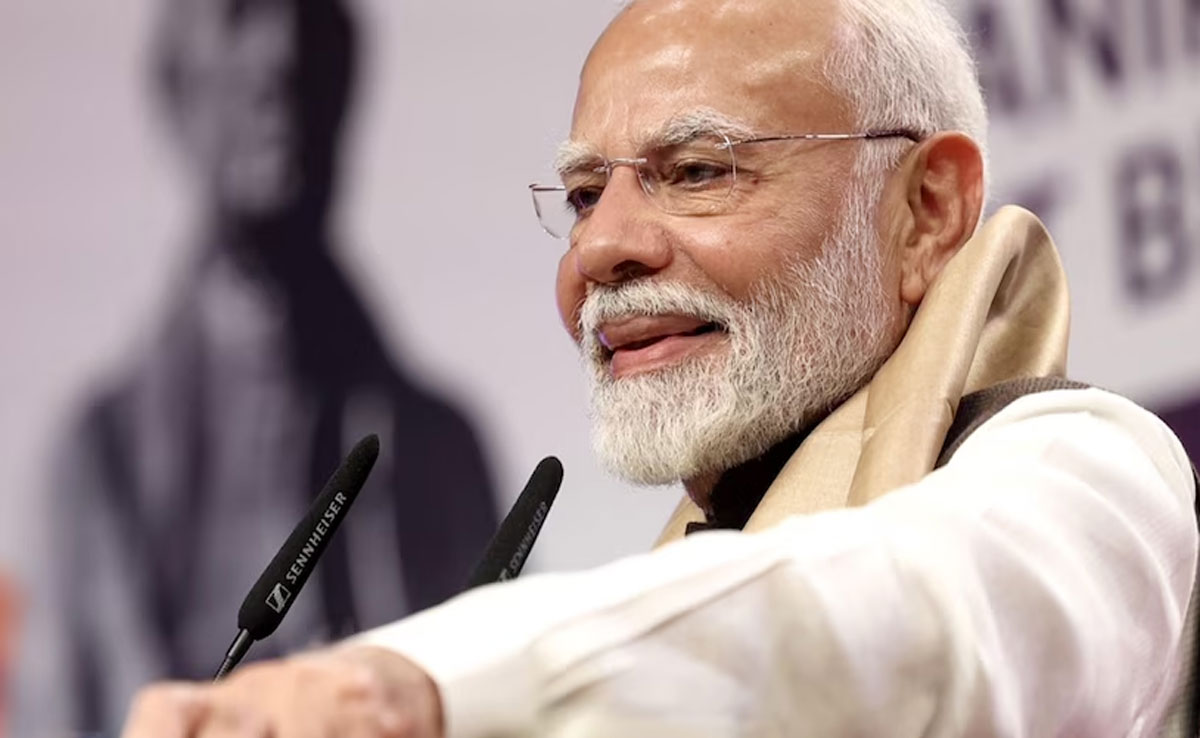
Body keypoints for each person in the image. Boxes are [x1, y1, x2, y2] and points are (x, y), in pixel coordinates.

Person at [121, 0, 1199, 735]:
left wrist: (418, 689)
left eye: (695, 170)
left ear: (924, 211)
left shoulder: (1087, 475)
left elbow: (908, 623)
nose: (599, 251)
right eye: (586, 194)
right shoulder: (676, 584)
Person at [35, 0, 498, 732]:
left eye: (309, 27)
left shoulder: (437, 446)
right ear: (181, 96)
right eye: (238, 15)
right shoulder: (102, 459)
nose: (278, 54)